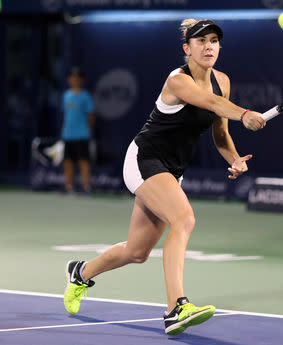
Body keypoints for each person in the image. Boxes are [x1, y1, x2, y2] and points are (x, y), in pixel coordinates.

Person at [63, 19, 266, 335]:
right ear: (187, 49)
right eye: (201, 41)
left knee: (137, 251)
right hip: (145, 159)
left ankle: (80, 273)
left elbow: (220, 131)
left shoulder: (222, 82)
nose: (209, 45)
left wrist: (235, 158)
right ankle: (176, 308)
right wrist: (244, 113)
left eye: (214, 40)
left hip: (173, 170)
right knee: (183, 219)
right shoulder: (178, 81)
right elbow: (212, 104)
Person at [61, 67, 95, 193]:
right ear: (69, 79)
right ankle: (68, 187)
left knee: (83, 160)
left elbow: (91, 115)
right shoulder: (66, 96)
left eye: (77, 78)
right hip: (67, 135)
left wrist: (88, 130)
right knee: (67, 161)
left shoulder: (85, 96)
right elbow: (65, 115)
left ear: (82, 80)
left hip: (82, 135)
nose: (74, 80)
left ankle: (86, 187)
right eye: (72, 77)